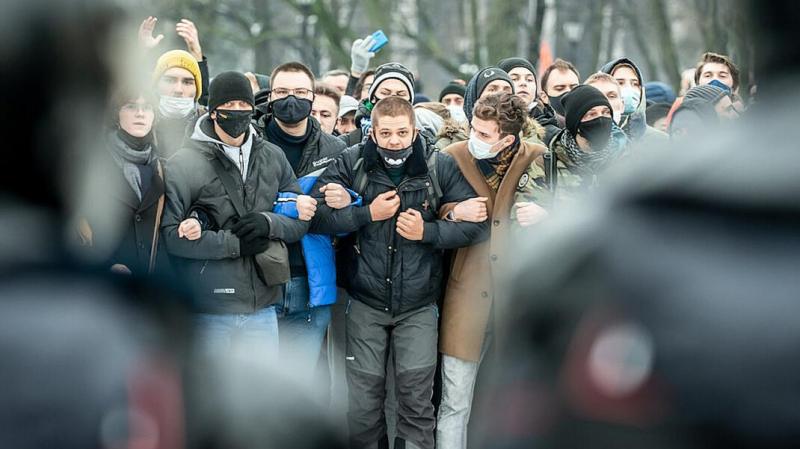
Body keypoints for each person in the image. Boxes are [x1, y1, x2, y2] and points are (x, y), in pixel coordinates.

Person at [310, 96, 490, 449]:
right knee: (363, 405)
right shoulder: (351, 161)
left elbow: (478, 227)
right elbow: (316, 217)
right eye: (387, 133)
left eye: (402, 133)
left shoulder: (439, 164)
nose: (395, 141)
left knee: (416, 403)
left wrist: (428, 232)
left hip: (418, 304)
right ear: (373, 133)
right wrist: (366, 214)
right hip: (365, 300)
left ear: (414, 132)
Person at [162, 71, 310, 359]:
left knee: (261, 389)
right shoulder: (184, 162)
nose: (238, 112)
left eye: (244, 105)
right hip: (208, 309)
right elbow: (171, 236)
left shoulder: (272, 156)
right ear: (213, 112)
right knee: (208, 388)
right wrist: (234, 244)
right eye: (229, 105)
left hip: (262, 307)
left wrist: (268, 223)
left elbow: (300, 220)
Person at [436, 93, 547, 449]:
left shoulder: (537, 156)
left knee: (514, 407)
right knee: (455, 402)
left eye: (484, 134)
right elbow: (430, 207)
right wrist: (455, 212)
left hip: (517, 298)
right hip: (466, 295)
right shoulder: (451, 156)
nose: (475, 138)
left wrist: (546, 215)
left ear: (508, 139)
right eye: (473, 129)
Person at [249, 62, 348, 376]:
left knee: (297, 388)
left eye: (300, 92)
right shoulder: (249, 142)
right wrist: (293, 206)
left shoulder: (335, 149)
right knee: (254, 386)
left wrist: (348, 201)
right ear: (270, 97)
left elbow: (342, 219)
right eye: (282, 92)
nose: (291, 100)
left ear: (312, 98)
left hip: (310, 285)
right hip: (257, 281)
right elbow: (242, 206)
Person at [524, 84, 624, 208]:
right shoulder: (546, 163)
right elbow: (525, 213)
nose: (601, 119)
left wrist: (548, 214)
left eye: (606, 113)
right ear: (575, 124)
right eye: (591, 114)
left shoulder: (624, 161)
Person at [436, 66, 515, 150]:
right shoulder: (448, 146)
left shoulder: (522, 142)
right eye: (492, 90)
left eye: (506, 91)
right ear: (475, 97)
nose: (500, 94)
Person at [340, 62, 416, 147]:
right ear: (373, 98)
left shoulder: (425, 145)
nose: (392, 99)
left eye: (400, 94)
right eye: (385, 93)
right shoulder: (347, 143)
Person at [600, 57, 668, 147]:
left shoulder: (659, 140)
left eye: (635, 84)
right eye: (620, 83)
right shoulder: (591, 137)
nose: (629, 88)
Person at [150, 49, 206, 158]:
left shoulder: (209, 129)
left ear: (196, 90)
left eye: (187, 82)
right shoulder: (139, 124)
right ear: (156, 85)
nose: (178, 90)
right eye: (170, 81)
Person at [498, 57, 562, 147]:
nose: (523, 83)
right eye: (514, 79)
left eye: (529, 80)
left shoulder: (553, 135)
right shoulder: (484, 127)